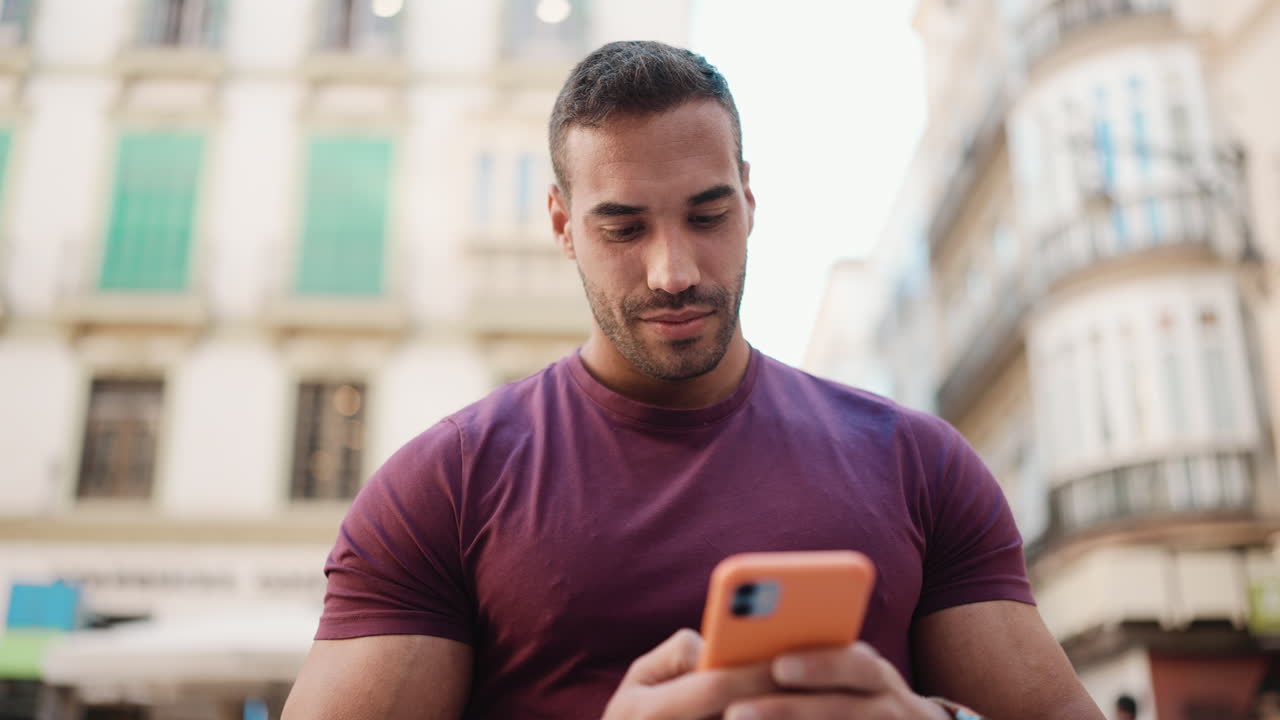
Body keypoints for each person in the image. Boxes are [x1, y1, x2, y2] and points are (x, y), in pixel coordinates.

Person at [282, 41, 1104, 720]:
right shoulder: (444, 488)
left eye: (707, 216)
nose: (673, 270)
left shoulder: (919, 464)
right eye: (624, 228)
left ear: (749, 200)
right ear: (564, 226)